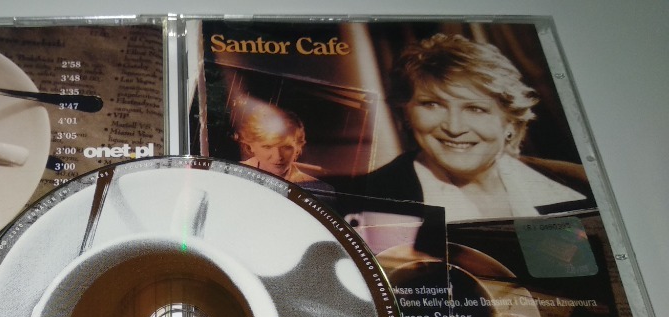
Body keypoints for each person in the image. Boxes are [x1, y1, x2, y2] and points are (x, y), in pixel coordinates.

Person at [349, 33, 590, 222]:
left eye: (476, 109)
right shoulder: (362, 199)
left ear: (510, 121)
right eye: (432, 104)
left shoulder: (580, 183)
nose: (454, 127)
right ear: (406, 113)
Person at [232, 97, 333, 192]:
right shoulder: (231, 176)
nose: (278, 156)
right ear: (251, 146)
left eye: (286, 147)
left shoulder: (318, 190)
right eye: (267, 147)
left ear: (298, 148)